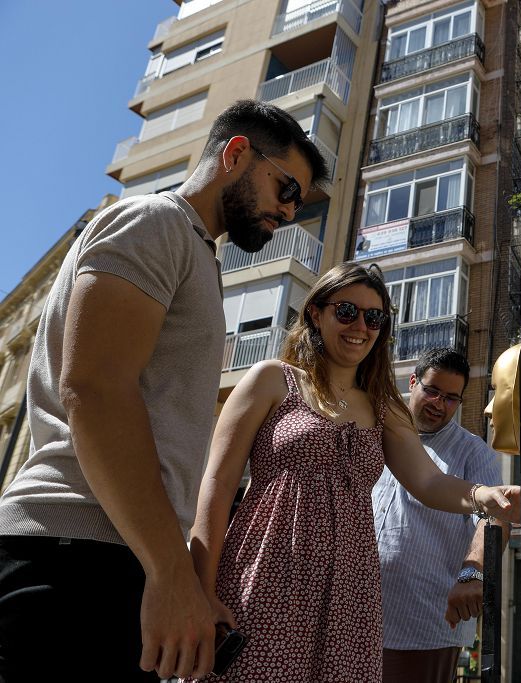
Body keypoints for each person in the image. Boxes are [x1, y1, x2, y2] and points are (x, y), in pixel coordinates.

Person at [0, 99, 326, 681]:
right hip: (73, 554)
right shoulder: (156, 222)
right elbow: (95, 390)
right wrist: (171, 575)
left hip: (122, 558)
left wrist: (181, 581)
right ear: (235, 154)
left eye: (298, 200)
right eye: (285, 188)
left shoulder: (197, 254)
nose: (289, 210)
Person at [187, 265, 521, 682]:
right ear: (316, 313)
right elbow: (218, 484)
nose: (361, 326)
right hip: (267, 573)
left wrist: (486, 495)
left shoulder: (383, 407)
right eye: (348, 311)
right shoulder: (271, 379)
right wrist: (200, 591)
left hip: (351, 592)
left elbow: (428, 482)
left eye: (374, 318)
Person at [374, 347, 508, 683]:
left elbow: (494, 517)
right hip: (351, 613)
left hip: (425, 622)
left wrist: (473, 574)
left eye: (450, 398)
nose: (438, 403)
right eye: (432, 390)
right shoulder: (375, 434)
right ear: (412, 381)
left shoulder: (472, 451)